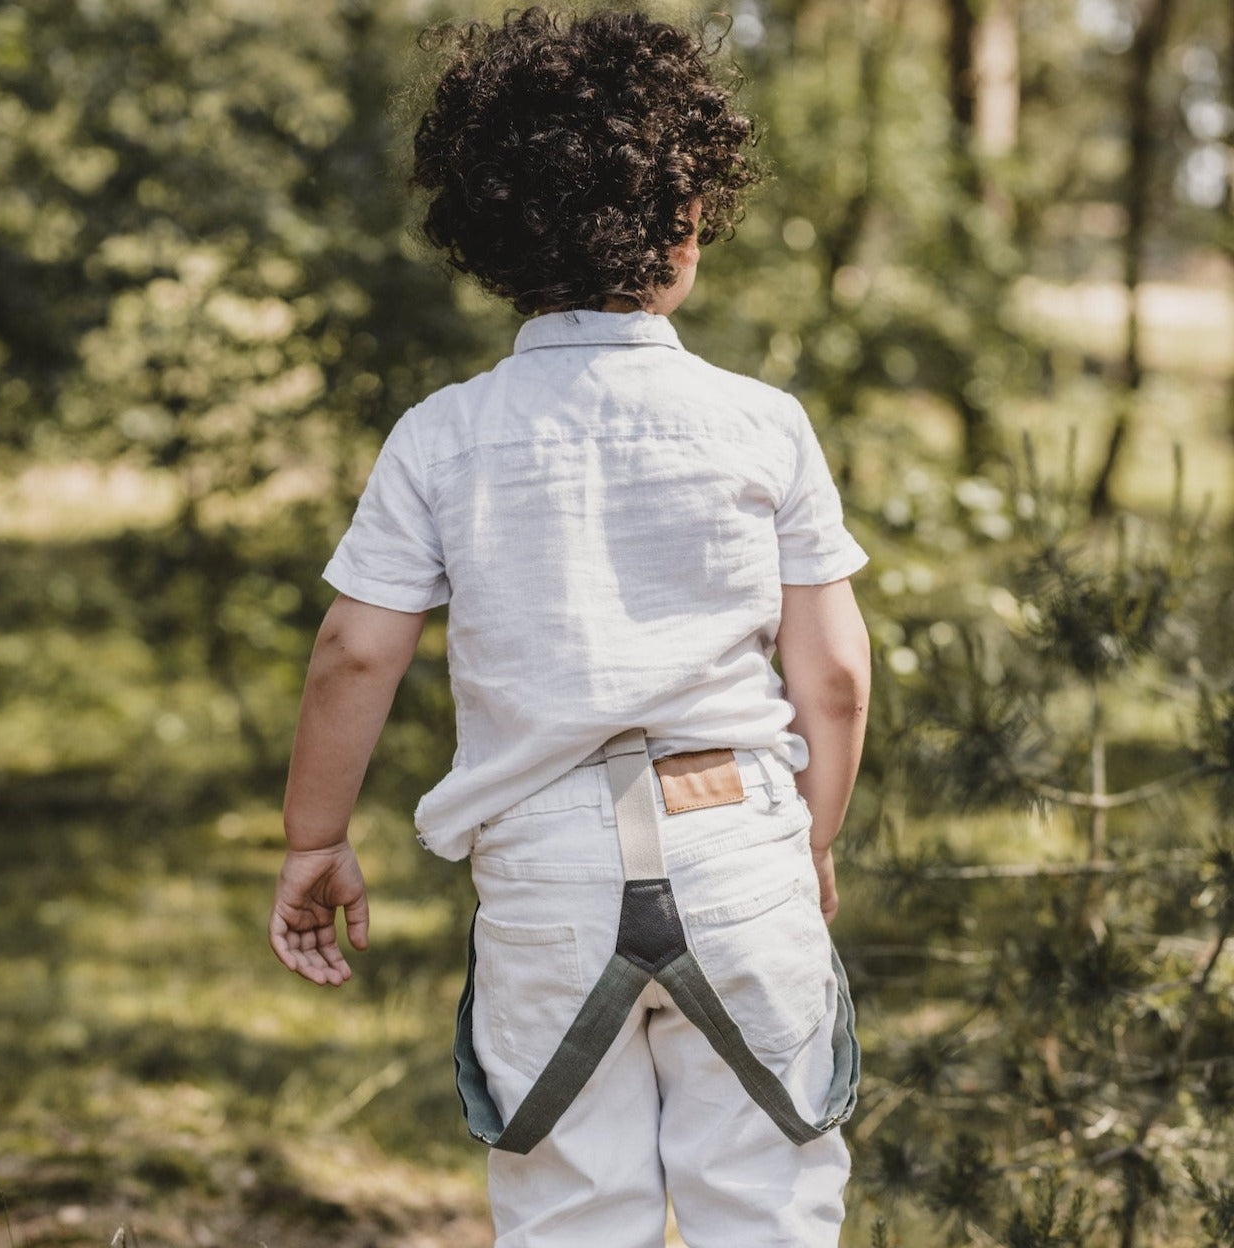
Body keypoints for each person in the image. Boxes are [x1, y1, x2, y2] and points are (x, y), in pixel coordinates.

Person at [269, 8, 871, 1246]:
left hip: (544, 871)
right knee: (767, 1199)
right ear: (690, 223)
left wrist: (312, 836)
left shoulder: (442, 434)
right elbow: (837, 680)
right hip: (736, 839)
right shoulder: (763, 424)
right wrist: (810, 843)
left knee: (566, 1209)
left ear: (490, 234)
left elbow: (356, 650)